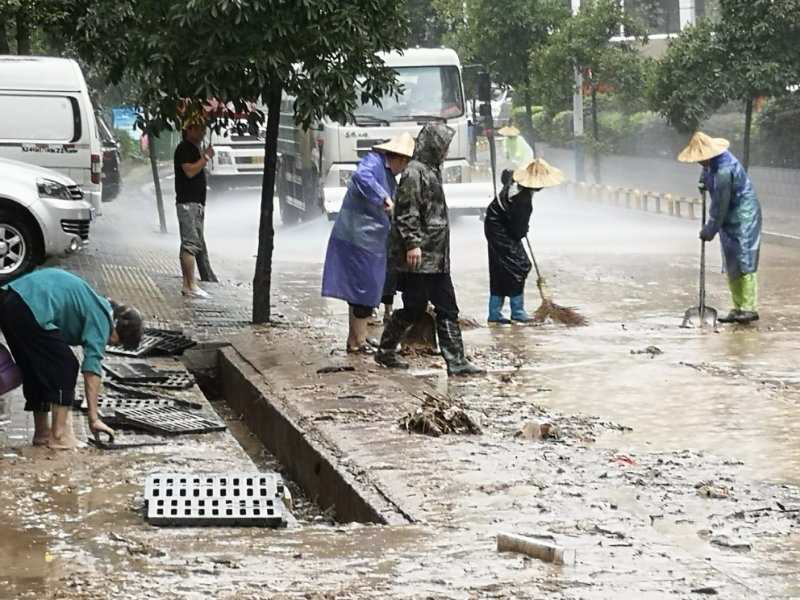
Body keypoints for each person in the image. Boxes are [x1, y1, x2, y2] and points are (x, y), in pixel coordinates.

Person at [375, 122, 484, 376]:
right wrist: (413, 244)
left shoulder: (431, 170)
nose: (445, 151)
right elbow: (407, 213)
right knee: (434, 307)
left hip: (436, 258)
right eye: (442, 146)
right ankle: (451, 360)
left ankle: (392, 350)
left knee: (429, 308)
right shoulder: (415, 172)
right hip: (421, 259)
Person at [0, 269, 143, 449]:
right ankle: (59, 436)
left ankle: (42, 432)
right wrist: (94, 418)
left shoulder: (93, 303)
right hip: (29, 305)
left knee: (35, 366)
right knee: (66, 365)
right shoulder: (103, 317)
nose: (110, 345)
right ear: (117, 328)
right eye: (116, 343)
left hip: (9, 298)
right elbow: (92, 368)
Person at [321, 133, 415, 353]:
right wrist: (384, 198)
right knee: (364, 292)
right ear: (401, 158)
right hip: (357, 238)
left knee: (360, 291)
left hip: (369, 241)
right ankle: (358, 342)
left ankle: (355, 341)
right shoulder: (373, 162)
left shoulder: (390, 177)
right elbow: (362, 178)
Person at [678, 132, 763, 324]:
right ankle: (737, 307)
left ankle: (749, 308)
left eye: (700, 159)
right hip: (728, 216)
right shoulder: (712, 163)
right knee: (730, 260)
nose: (699, 162)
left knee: (744, 259)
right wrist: (703, 179)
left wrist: (710, 228)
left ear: (708, 154)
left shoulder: (724, 170)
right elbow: (708, 173)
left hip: (743, 214)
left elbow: (720, 204)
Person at [485, 158, 565, 325]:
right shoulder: (523, 200)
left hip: (496, 226)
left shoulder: (517, 184)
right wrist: (522, 230)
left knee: (501, 267)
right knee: (520, 266)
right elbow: (518, 229)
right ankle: (517, 311)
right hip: (499, 230)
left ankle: (495, 313)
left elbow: (506, 175)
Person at [175, 110, 216, 299]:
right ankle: (190, 284)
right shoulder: (185, 148)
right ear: (189, 129)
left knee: (193, 243)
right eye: (199, 128)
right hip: (188, 204)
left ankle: (189, 283)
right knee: (190, 244)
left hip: (195, 204)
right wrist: (206, 157)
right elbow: (189, 171)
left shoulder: (194, 148)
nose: (202, 132)